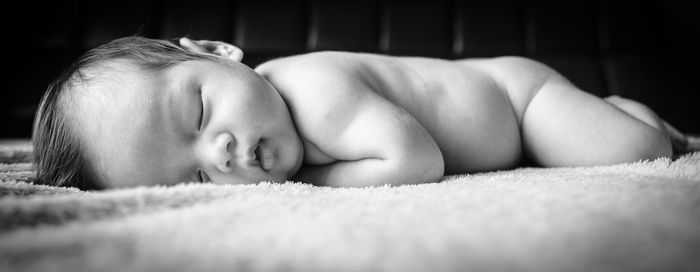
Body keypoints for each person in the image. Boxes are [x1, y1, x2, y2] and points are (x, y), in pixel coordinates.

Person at [32, 36, 697, 190]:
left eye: (201, 110)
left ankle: (630, 110)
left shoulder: (312, 90)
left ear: (214, 50)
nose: (223, 153)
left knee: (638, 153)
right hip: (508, 133)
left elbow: (417, 160)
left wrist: (308, 183)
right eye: (195, 177)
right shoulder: (274, 124)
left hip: (519, 102)